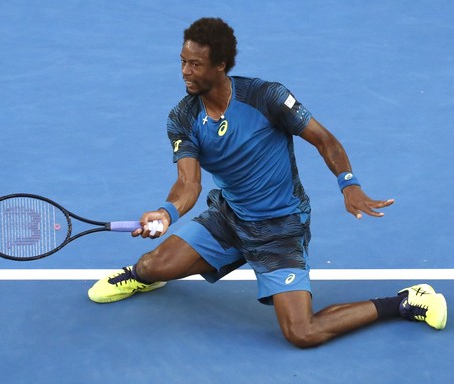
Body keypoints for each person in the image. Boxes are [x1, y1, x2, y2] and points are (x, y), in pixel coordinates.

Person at [88, 17, 447, 348]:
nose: (185, 71)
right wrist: (167, 214)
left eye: (194, 64)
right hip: (229, 218)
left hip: (280, 228)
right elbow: (188, 185)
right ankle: (142, 275)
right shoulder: (183, 117)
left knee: (302, 332)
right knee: (152, 266)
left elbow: (325, 140)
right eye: (182, 61)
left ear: (221, 65)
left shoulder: (266, 97)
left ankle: (404, 301)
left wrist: (348, 184)